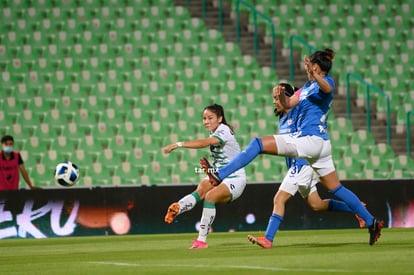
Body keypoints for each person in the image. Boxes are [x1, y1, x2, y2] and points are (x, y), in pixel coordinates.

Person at [200, 49, 384, 246]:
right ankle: (372, 221)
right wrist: (281, 96)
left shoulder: (326, 81)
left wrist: (315, 75)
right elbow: (290, 102)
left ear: (315, 67)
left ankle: (219, 175)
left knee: (258, 144)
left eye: (309, 67)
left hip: (310, 141)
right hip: (320, 145)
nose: (306, 70)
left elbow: (327, 89)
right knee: (334, 189)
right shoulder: (305, 88)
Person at [244, 83, 365, 248]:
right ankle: (357, 209)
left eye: (277, 97)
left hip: (304, 163)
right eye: (273, 98)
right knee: (317, 204)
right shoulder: (283, 120)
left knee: (279, 199)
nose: (274, 101)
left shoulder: (300, 113)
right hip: (297, 164)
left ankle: (268, 239)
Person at [163, 104, 246, 249]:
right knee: (201, 189)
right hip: (220, 174)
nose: (206, 121)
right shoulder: (216, 132)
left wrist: (179, 144)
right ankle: (178, 207)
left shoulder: (224, 131)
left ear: (220, 119)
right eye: (204, 118)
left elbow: (203, 143)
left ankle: (201, 240)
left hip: (235, 178)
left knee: (210, 197)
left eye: (210, 118)